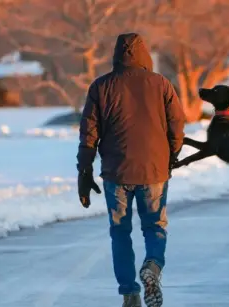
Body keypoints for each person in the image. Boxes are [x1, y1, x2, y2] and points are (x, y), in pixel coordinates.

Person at [76, 33, 185, 307]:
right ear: (144, 55)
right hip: (154, 170)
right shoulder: (161, 84)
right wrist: (170, 155)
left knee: (120, 232)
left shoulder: (101, 87)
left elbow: (89, 133)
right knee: (155, 226)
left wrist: (84, 171)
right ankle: (153, 266)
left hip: (116, 171)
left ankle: (129, 293)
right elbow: (177, 125)